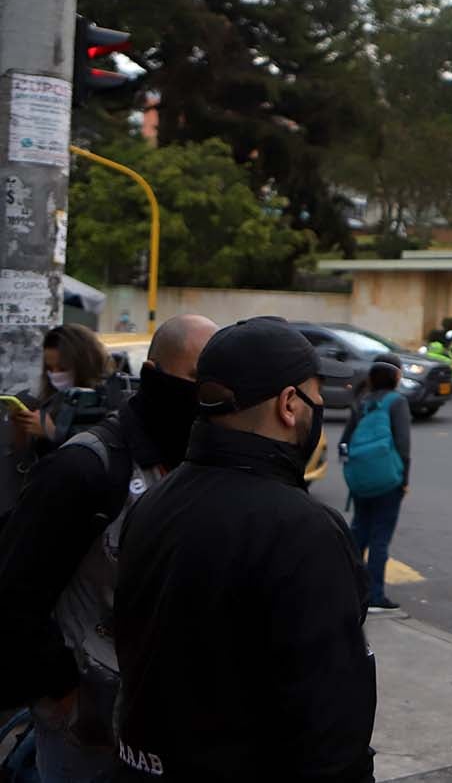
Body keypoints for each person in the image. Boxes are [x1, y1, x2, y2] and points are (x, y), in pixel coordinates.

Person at [112, 317, 373, 782]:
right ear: (289, 405)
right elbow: (332, 726)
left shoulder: (152, 503)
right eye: (314, 396)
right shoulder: (305, 531)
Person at [0, 314, 217, 782]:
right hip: (85, 726)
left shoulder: (191, 464)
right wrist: (62, 693)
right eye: (198, 378)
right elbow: (16, 592)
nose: (210, 395)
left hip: (159, 718)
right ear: (157, 374)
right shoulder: (85, 467)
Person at [340, 352, 411, 613]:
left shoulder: (362, 401)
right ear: (395, 375)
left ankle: (349, 587)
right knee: (380, 537)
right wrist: (404, 480)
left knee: (359, 531)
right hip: (387, 480)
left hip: (361, 480)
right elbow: (403, 445)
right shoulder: (397, 402)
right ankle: (376, 594)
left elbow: (345, 442)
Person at [9, 325, 110, 466]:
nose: (55, 375)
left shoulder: (107, 399)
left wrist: (54, 434)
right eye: (50, 369)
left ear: (83, 364)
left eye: (63, 368)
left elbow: (102, 452)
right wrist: (23, 431)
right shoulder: (51, 400)